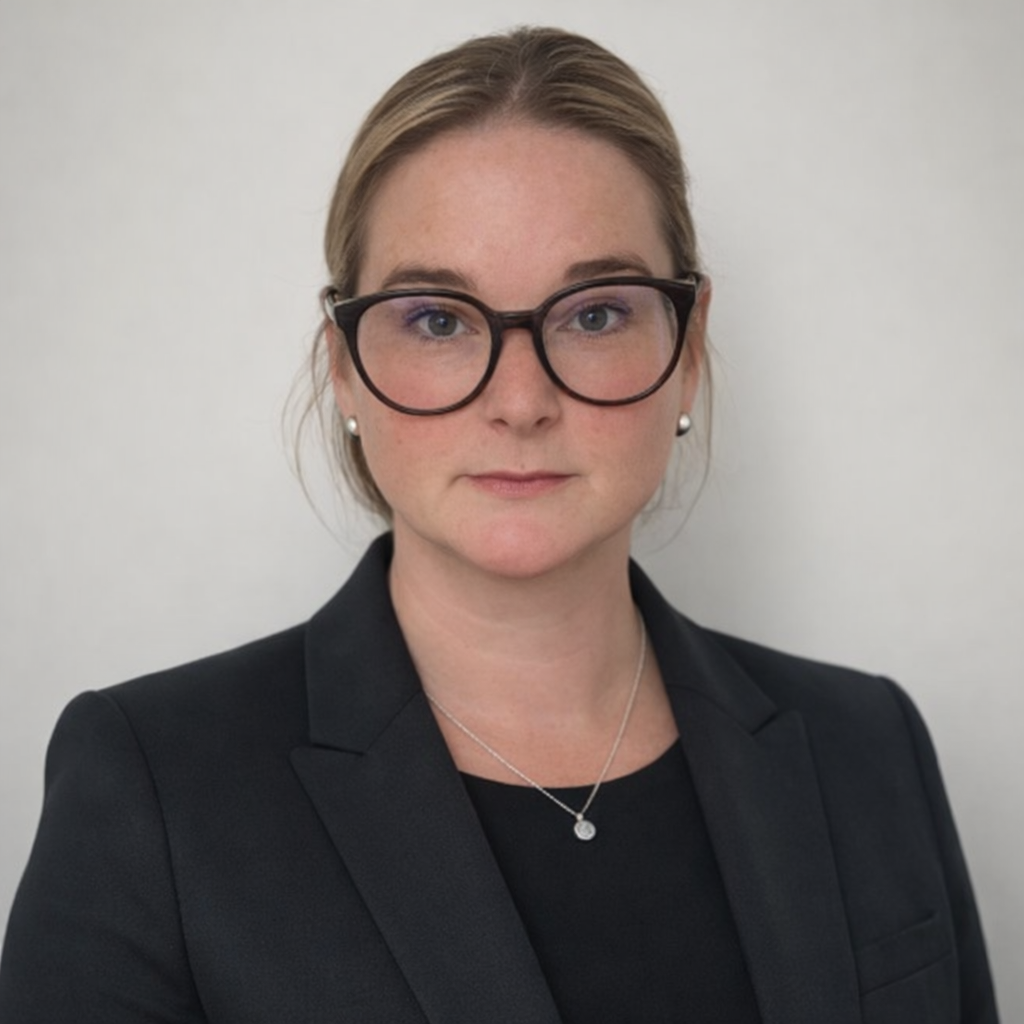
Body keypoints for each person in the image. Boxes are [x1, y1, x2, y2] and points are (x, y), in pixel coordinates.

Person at [0, 26, 999, 1024]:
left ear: (687, 346)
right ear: (345, 366)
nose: (520, 400)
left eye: (594, 314)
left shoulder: (869, 749)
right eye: (437, 319)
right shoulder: (153, 786)